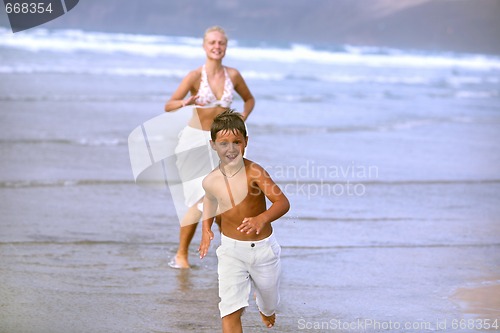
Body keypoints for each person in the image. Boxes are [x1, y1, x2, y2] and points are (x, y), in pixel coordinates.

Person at [164, 26, 255, 269]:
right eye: (212, 42)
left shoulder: (233, 76)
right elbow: (168, 105)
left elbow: (249, 99)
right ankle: (181, 255)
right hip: (194, 143)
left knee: (223, 201)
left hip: (223, 145)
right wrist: (186, 102)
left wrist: (242, 118)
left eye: (221, 43)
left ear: (225, 47)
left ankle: (231, 254)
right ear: (205, 46)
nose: (217, 46)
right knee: (199, 200)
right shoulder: (195, 76)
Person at [199, 110, 290, 332]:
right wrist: (205, 229)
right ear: (213, 145)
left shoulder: (255, 173)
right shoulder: (210, 179)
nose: (230, 149)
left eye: (236, 142)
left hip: (262, 251)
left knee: (270, 301)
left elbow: (282, 202)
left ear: (246, 142)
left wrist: (262, 218)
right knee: (230, 310)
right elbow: (210, 202)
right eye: (223, 143)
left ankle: (265, 308)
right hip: (230, 251)